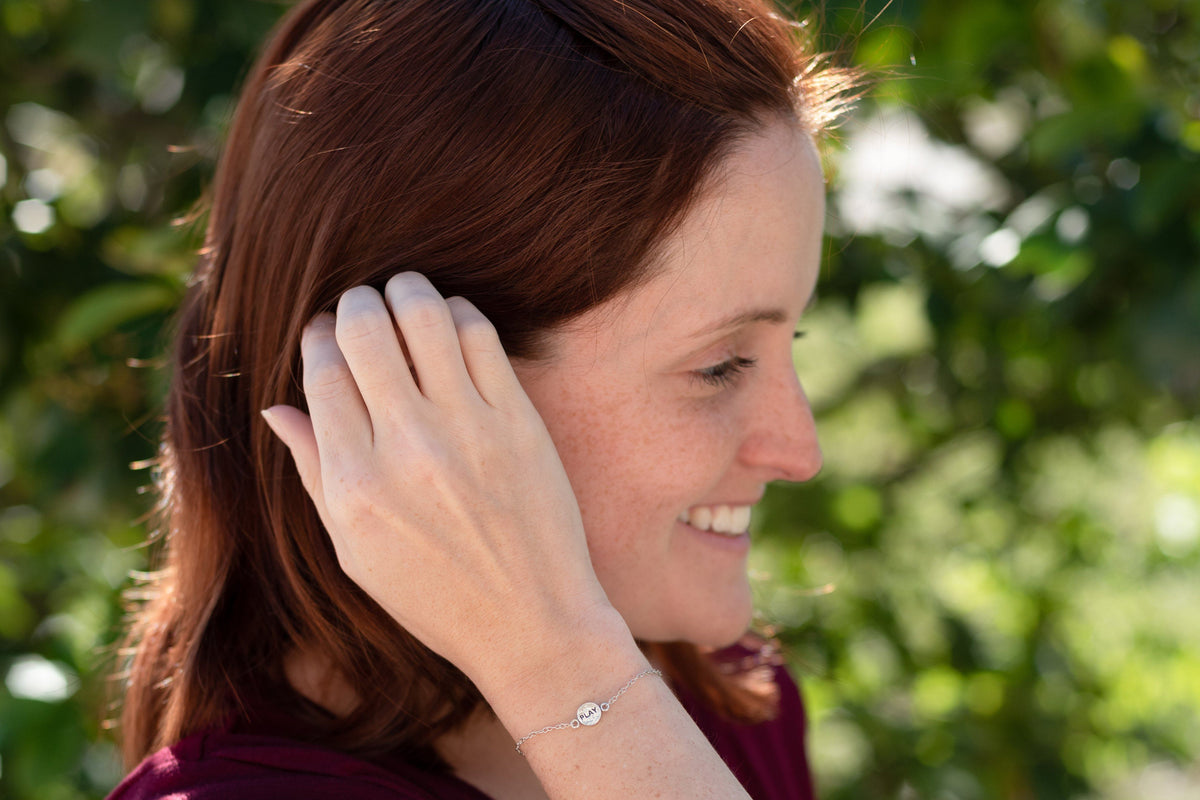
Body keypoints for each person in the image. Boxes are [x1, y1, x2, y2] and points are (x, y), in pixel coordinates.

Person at [107, 0, 856, 797]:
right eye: (722, 365)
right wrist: (563, 670)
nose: (799, 451)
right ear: (401, 376)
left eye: (790, 344)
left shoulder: (728, 711)